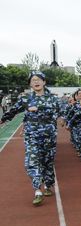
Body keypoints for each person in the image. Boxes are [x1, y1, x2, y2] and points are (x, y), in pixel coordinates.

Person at [0, 71, 63, 206]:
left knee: (47, 162)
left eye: (38, 79)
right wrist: (2, 119)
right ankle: (37, 190)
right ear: (30, 84)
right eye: (33, 80)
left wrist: (63, 119)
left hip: (49, 136)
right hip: (32, 136)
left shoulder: (53, 99)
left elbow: (62, 112)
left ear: (44, 82)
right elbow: (12, 111)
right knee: (31, 161)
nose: (36, 82)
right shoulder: (26, 99)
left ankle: (48, 184)